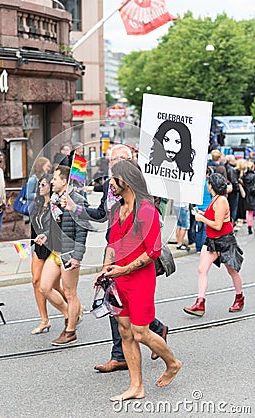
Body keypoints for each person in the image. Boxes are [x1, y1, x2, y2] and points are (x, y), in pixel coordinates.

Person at [62, 144, 168, 372]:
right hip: (113, 248)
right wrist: (75, 209)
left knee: (134, 315)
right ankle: (123, 353)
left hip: (136, 255)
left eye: (120, 160)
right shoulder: (111, 191)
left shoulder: (144, 194)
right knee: (115, 305)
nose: (114, 164)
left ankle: (155, 345)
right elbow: (101, 215)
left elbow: (151, 238)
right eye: (112, 160)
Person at [94, 160, 181, 401]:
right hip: (118, 280)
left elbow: (152, 252)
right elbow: (112, 244)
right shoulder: (116, 210)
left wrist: (123, 270)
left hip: (140, 279)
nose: (110, 183)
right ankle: (136, 387)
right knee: (125, 331)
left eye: (114, 179)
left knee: (141, 332)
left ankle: (172, 363)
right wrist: (105, 271)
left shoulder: (146, 210)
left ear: (127, 181)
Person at [38, 165, 88, 345]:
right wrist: (45, 235)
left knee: (70, 292)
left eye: (55, 178)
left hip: (69, 253)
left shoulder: (77, 200)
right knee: (44, 287)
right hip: (55, 250)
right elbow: (54, 224)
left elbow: (82, 230)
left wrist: (77, 256)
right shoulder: (54, 199)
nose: (52, 181)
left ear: (65, 181)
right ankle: (70, 314)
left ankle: (70, 331)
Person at [183, 173, 244, 316]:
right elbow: (215, 218)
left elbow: (217, 225)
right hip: (211, 240)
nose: (207, 185)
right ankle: (200, 303)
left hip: (224, 240)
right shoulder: (215, 198)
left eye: (208, 183)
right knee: (202, 269)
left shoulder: (221, 200)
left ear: (212, 185)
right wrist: (203, 214)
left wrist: (201, 218)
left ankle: (239, 297)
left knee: (232, 271)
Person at [30, 173, 53, 335]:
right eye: (40, 185)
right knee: (36, 280)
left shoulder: (56, 204)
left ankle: (73, 309)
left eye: (43, 185)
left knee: (56, 285)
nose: (40, 187)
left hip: (52, 247)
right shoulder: (38, 203)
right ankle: (44, 320)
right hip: (39, 246)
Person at [241, 161, 255, 234]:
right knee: (251, 212)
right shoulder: (254, 176)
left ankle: (249, 226)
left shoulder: (244, 176)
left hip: (247, 195)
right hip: (253, 195)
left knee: (249, 212)